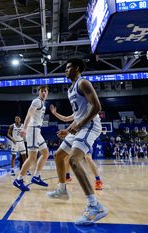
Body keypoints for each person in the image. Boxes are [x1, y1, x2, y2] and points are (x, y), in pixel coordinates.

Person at [46, 58, 108, 225]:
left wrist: (79, 125)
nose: (65, 70)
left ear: (77, 68)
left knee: (74, 160)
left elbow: (97, 107)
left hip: (90, 126)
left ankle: (95, 206)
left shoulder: (83, 83)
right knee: (59, 156)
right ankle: (62, 190)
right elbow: (79, 114)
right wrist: (68, 129)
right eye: (65, 68)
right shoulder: (70, 89)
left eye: (68, 67)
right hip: (80, 126)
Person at [49, 104, 104, 190]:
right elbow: (67, 119)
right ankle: (67, 177)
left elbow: (78, 123)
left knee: (88, 158)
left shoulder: (88, 109)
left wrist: (68, 131)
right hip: (76, 135)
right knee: (66, 157)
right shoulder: (78, 112)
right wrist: (55, 113)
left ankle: (98, 181)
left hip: (86, 134)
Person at [13, 86, 50, 191]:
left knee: (45, 153)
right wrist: (24, 128)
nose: (43, 93)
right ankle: (19, 179)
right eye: (41, 91)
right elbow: (29, 114)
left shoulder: (43, 104)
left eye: (45, 91)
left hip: (38, 131)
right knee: (32, 157)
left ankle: (36, 176)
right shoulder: (36, 101)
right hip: (32, 129)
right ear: (38, 93)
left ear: (47, 93)